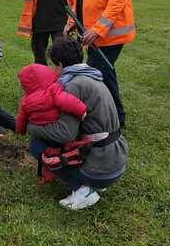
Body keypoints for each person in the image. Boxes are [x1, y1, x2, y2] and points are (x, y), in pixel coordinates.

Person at [27, 37, 128, 211]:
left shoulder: (72, 85)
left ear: (59, 64)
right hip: (117, 159)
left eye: (53, 65)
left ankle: (84, 190)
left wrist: (30, 126)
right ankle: (96, 181)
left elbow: (64, 133)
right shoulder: (92, 75)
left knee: (37, 145)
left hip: (102, 167)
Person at [60, 0, 135, 127]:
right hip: (94, 33)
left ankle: (112, 118)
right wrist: (71, 22)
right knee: (103, 73)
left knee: (97, 74)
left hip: (110, 34)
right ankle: (114, 116)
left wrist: (97, 30)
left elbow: (118, 0)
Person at [15, 63, 86, 135]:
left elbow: (21, 118)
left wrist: (20, 130)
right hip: (53, 122)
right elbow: (67, 100)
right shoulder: (53, 90)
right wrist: (82, 111)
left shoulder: (25, 101)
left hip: (37, 124)